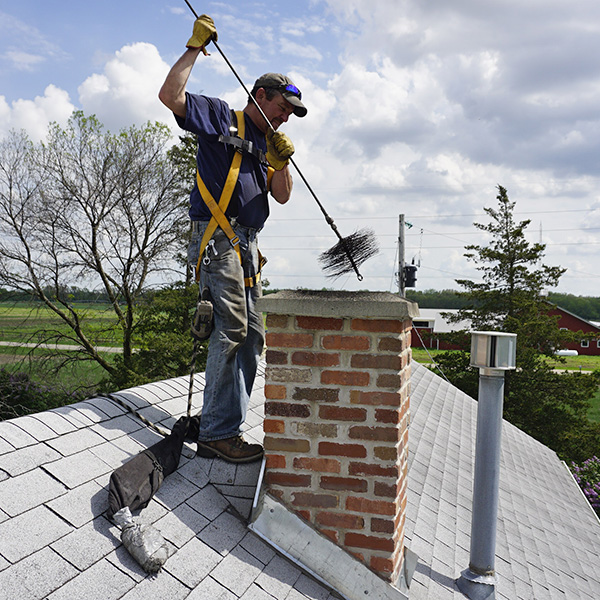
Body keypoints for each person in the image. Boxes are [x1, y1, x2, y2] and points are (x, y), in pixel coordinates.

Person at [159, 15, 306, 463]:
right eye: (283, 107)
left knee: (255, 334)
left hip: (248, 246)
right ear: (260, 95)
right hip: (218, 237)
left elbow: (280, 198)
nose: (286, 117)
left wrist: (280, 162)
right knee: (233, 328)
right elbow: (171, 97)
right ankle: (218, 433)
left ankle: (222, 423)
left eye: (291, 114)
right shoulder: (224, 117)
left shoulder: (268, 145)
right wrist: (193, 49)